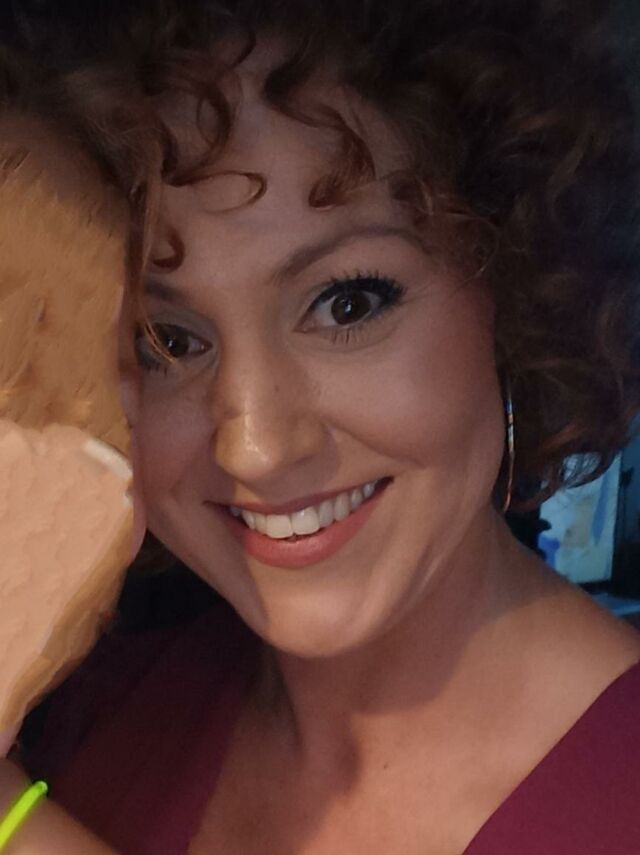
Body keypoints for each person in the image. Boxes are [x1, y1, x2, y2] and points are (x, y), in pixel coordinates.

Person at [2, 1, 640, 852]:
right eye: (168, 342)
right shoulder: (94, 708)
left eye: (347, 303)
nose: (257, 447)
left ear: (515, 285)